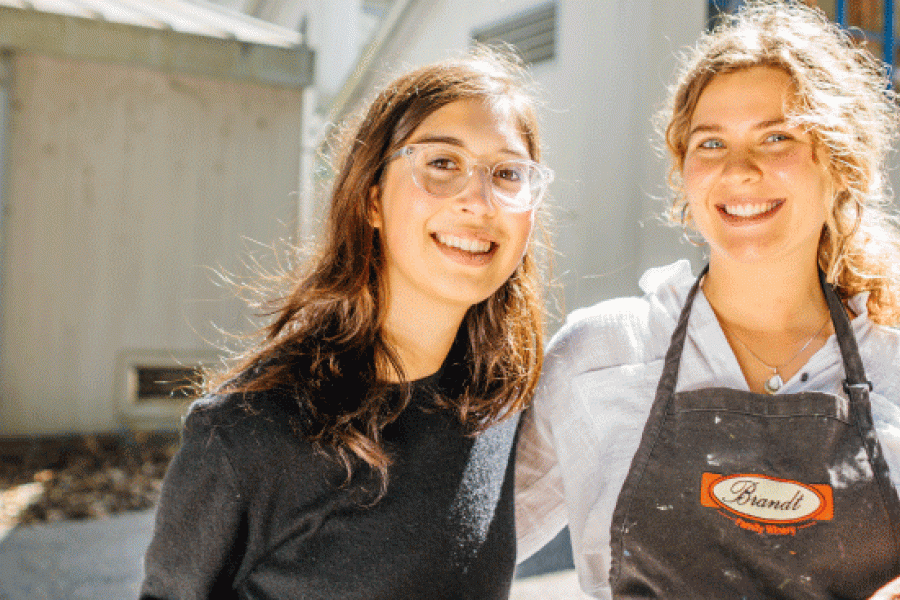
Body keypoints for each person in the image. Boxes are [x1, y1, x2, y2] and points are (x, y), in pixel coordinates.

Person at [516, 2, 900, 598]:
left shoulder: (894, 363)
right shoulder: (601, 356)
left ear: (840, 166)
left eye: (778, 137)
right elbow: (455, 547)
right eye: (712, 143)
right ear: (684, 173)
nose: (740, 170)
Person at [140, 48, 554, 600]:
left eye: (506, 173)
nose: (478, 201)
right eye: (441, 163)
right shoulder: (248, 434)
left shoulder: (497, 403)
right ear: (372, 198)